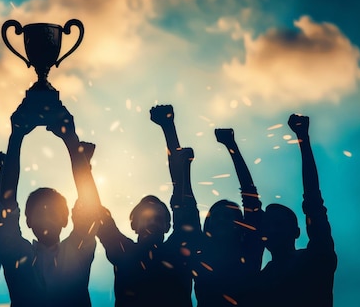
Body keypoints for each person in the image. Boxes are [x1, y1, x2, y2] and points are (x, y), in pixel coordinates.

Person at [0, 104, 102, 307]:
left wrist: (71, 138)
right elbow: (6, 202)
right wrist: (16, 136)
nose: (47, 217)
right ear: (27, 221)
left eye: (53, 212)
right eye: (40, 212)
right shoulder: (18, 253)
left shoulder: (77, 250)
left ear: (66, 219)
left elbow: (90, 206)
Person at [96, 104, 199, 307]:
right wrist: (79, 158)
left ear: (168, 226)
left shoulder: (179, 250)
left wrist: (169, 129)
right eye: (146, 218)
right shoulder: (123, 252)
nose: (152, 222)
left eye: (158, 219)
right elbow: (94, 210)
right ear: (134, 224)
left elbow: (182, 197)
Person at [253, 114, 337, 307]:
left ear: (297, 232)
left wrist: (303, 139)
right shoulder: (260, 280)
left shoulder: (315, 259)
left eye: (279, 224)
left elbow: (313, 202)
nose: (272, 230)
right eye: (268, 226)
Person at [191, 126, 265, 306]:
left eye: (228, 216)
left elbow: (250, 198)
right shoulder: (199, 253)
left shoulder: (250, 249)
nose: (222, 220)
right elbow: (185, 209)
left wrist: (232, 146)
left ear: (240, 224)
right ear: (207, 225)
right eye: (217, 216)